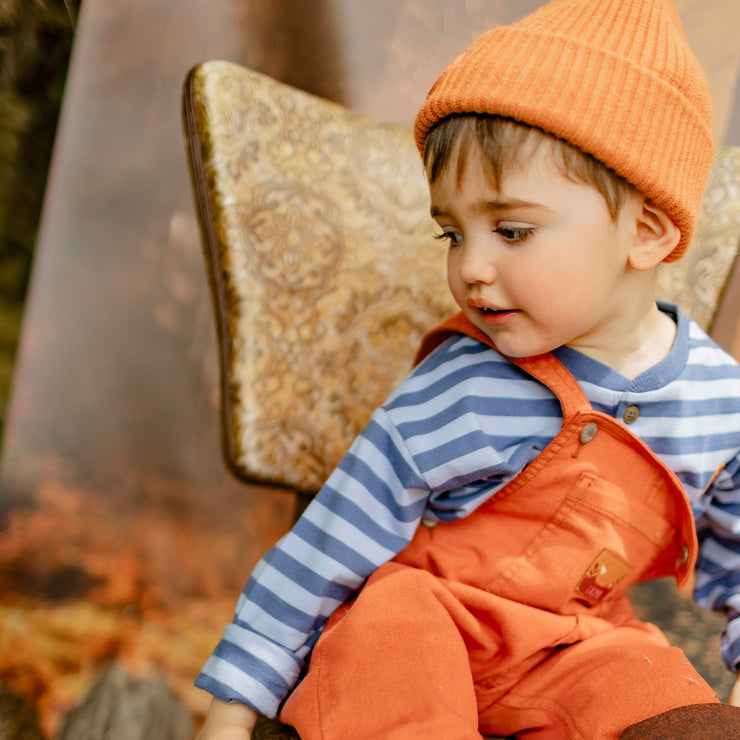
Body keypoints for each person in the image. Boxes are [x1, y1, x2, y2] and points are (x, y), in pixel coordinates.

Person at [194, 1, 740, 737]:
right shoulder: (464, 386)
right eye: (452, 233)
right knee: (391, 636)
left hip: (569, 646)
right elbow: (330, 542)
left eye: (511, 230)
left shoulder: (719, 401)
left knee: (657, 690)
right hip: (426, 624)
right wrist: (232, 709)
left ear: (646, 231)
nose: (471, 269)